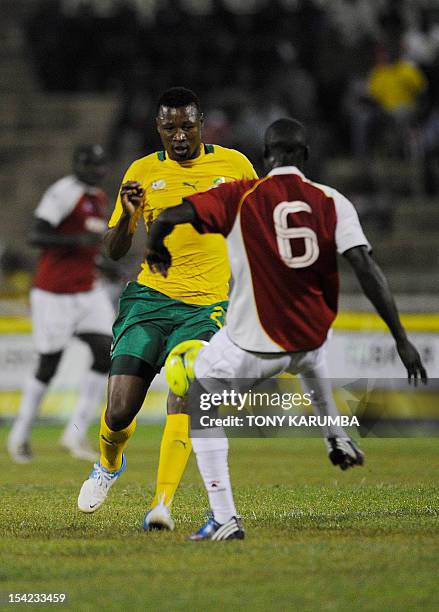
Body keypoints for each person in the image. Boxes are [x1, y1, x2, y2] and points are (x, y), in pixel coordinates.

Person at [146, 117, 428, 541]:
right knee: (311, 359)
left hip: (256, 342)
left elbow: (171, 216)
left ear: (265, 157)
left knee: (197, 399)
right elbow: (366, 269)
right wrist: (402, 339)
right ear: (306, 156)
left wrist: (155, 245)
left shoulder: (241, 195)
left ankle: (224, 518)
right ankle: (335, 434)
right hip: (311, 339)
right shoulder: (333, 201)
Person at [77, 87, 258, 529]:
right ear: (158, 128)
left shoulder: (235, 166)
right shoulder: (141, 171)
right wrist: (127, 210)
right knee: (119, 411)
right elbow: (116, 249)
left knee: (186, 394)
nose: (178, 136)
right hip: (149, 301)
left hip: (205, 309)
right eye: (169, 128)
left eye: (186, 126)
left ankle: (161, 505)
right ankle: (108, 464)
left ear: (202, 124)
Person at [8, 144, 114, 463]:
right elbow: (36, 235)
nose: (94, 169)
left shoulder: (98, 198)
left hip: (87, 291)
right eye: (87, 163)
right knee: (49, 364)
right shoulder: (65, 192)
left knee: (106, 352)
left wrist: (106, 264)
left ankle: (75, 433)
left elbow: (89, 247)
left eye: (98, 164)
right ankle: (19, 436)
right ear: (76, 164)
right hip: (54, 294)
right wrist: (76, 242)